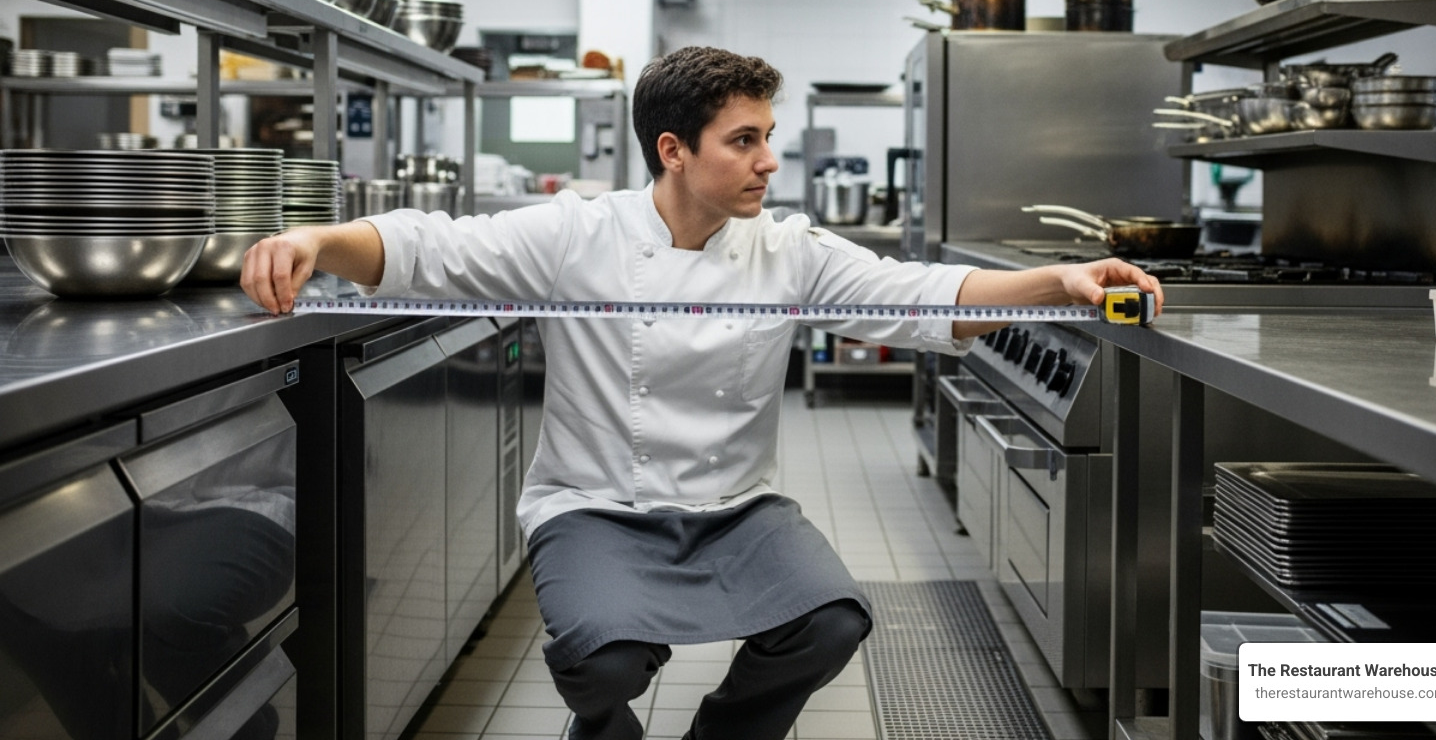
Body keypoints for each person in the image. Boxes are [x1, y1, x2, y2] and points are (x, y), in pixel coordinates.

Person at [242, 45, 1162, 740]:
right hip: (598, 504)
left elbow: (921, 296)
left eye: (770, 139)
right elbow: (424, 247)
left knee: (832, 622)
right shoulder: (578, 234)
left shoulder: (787, 249)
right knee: (601, 665)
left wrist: (1061, 281)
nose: (769, 161)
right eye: (747, 140)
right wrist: (319, 241)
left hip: (736, 506)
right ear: (674, 150)